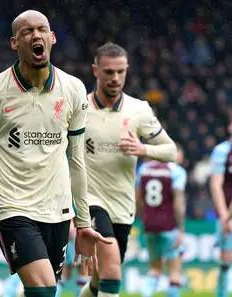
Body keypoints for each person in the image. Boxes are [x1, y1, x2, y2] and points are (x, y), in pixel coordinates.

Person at [0, 10, 108, 297]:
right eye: (27, 31)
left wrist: (83, 222)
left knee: (40, 290)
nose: (36, 35)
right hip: (12, 206)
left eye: (42, 30)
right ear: (15, 43)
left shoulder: (73, 89)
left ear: (52, 38)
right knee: (44, 289)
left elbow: (76, 160)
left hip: (58, 209)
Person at [80, 42, 177, 297]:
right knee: (112, 271)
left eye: (120, 72)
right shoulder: (78, 109)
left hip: (123, 207)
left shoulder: (139, 110)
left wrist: (143, 149)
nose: (115, 78)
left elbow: (171, 151)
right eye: (109, 72)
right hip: (90, 200)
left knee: (100, 281)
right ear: (95, 71)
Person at [136, 145, 187, 297]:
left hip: (149, 225)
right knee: (175, 272)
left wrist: (144, 217)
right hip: (169, 226)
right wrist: (181, 228)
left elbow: (137, 198)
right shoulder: (176, 171)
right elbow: (178, 203)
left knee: (155, 269)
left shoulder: (144, 169)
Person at [210, 118, 232, 297]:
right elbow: (216, 184)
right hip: (227, 214)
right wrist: (226, 216)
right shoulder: (221, 151)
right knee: (226, 260)